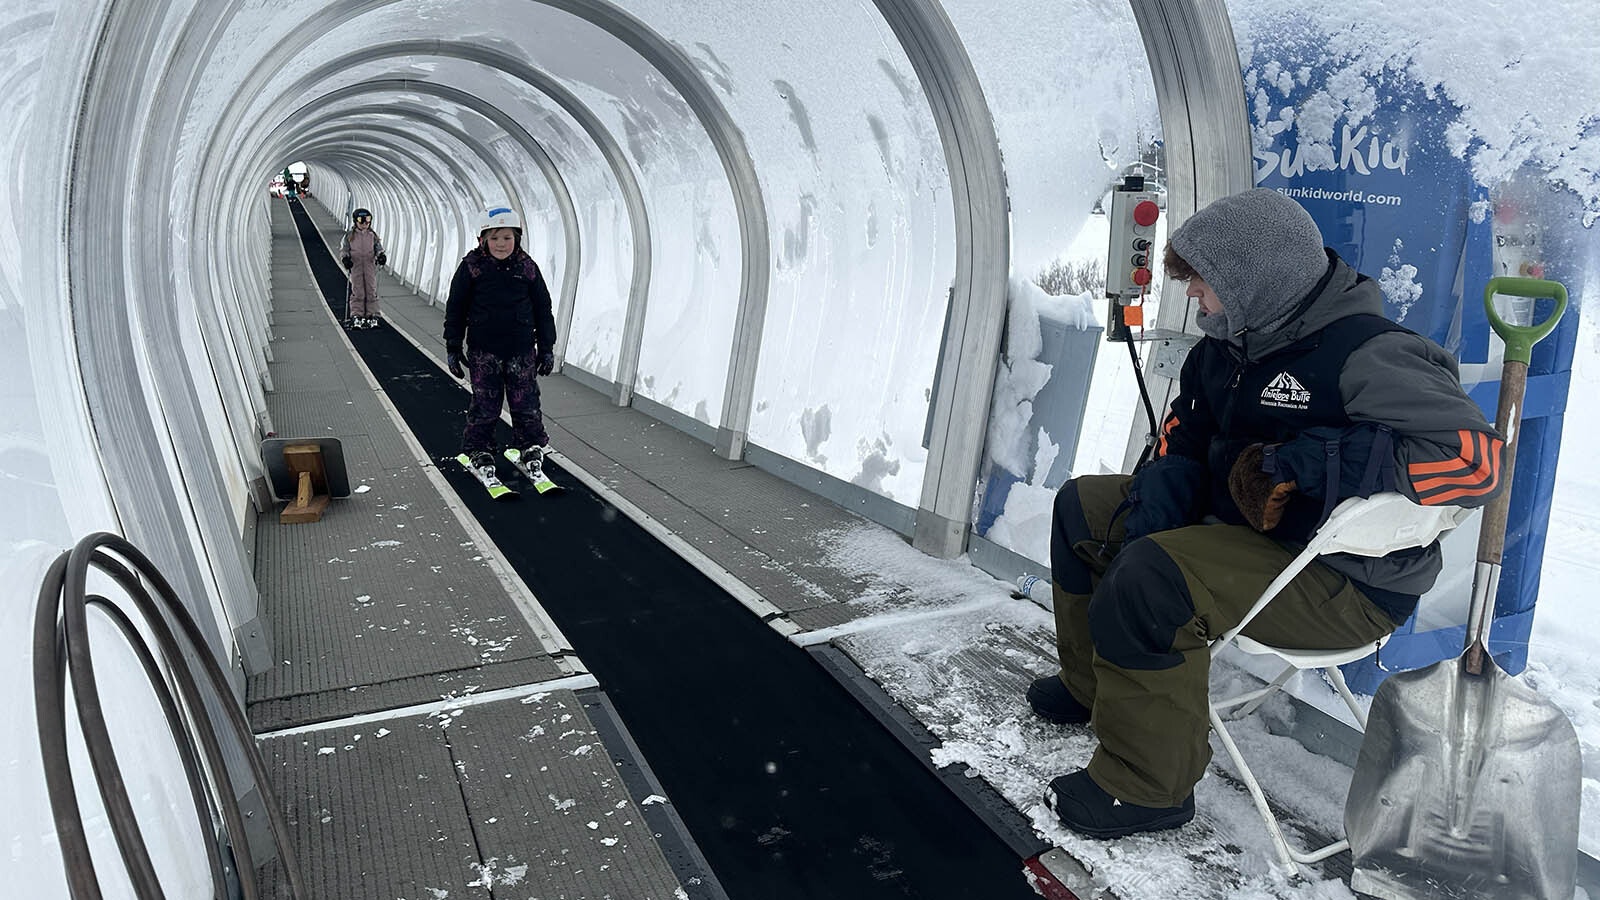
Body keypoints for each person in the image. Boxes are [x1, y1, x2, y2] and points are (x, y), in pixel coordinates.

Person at [1028, 188, 1504, 839]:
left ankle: (1145, 788)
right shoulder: (1226, 348)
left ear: (1252, 281)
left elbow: (1476, 463)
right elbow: (1180, 442)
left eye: (1201, 280)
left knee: (1152, 579)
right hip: (1251, 540)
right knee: (1084, 507)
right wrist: (1152, 506)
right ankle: (1092, 687)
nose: (1191, 293)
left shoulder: (1368, 354)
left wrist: (1313, 463)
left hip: (1345, 581)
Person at [442, 206, 557, 479]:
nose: (501, 244)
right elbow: (456, 308)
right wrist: (453, 347)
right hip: (485, 351)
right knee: (485, 403)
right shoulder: (471, 267)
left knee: (526, 402)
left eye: (507, 237)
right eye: (494, 238)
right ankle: (478, 448)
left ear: (517, 238)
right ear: (482, 240)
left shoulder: (527, 267)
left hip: (521, 350)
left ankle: (529, 444)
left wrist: (547, 347)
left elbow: (543, 308)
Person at [339, 207, 387, 329]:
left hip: (369, 265)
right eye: (362, 220)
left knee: (371, 289)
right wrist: (346, 259)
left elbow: (378, 248)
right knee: (358, 290)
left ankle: (372, 313)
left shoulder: (372, 235)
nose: (365, 223)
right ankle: (357, 314)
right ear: (355, 221)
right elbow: (344, 250)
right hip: (356, 266)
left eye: (368, 220)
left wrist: (381, 256)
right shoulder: (350, 236)